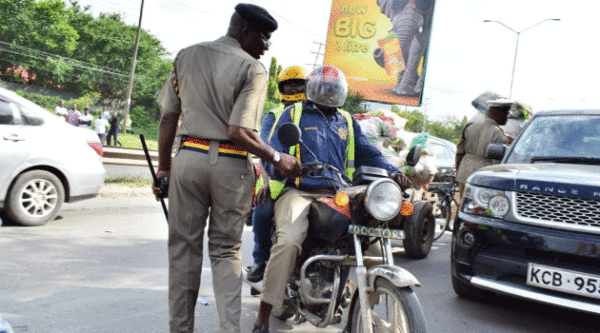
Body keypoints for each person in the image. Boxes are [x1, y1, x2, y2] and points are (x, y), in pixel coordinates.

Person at [152, 4, 301, 333]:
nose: (265, 47)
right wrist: (277, 158)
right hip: (231, 166)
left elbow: (168, 118)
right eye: (263, 38)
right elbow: (239, 131)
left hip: (188, 159)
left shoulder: (186, 56)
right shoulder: (254, 69)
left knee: (183, 252)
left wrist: (164, 169)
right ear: (245, 31)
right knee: (224, 251)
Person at [252, 65, 412, 333]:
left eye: (332, 89)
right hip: (299, 191)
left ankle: (355, 304)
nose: (327, 94)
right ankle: (263, 315)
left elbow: (369, 153)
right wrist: (282, 164)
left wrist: (395, 172)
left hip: (339, 193)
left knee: (373, 247)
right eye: (322, 88)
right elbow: (274, 152)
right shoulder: (294, 114)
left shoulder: (347, 121)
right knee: (289, 241)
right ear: (312, 89)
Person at [246, 65, 307, 283]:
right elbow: (264, 150)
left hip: (310, 179)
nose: (294, 87)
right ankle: (260, 260)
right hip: (276, 177)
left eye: (299, 83)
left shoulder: (313, 113)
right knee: (262, 210)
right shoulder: (272, 116)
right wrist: (268, 180)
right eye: (289, 84)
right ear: (282, 88)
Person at [455, 99, 511, 198]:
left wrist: (458, 173)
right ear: (497, 113)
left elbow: (459, 154)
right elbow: (496, 165)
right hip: (482, 179)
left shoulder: (469, 127)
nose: (507, 117)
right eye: (506, 113)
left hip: (464, 174)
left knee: (462, 207)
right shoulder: (498, 134)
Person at [377, 0, 434, 96]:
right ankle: (406, 81)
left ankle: (410, 83)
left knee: (415, 50)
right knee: (404, 45)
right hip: (414, 22)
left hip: (426, 26)